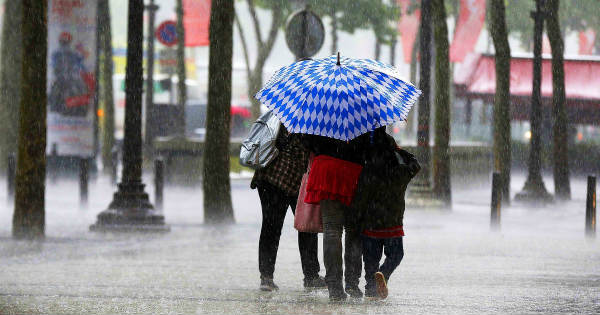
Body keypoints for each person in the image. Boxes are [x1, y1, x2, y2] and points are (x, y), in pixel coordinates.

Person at [251, 126, 326, 291]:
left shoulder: (288, 113)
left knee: (277, 227)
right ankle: (307, 276)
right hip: (279, 178)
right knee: (293, 227)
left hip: (276, 177)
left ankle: (269, 277)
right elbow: (312, 149)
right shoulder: (308, 123)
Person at [351, 128, 420, 299]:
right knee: (396, 254)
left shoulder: (368, 171)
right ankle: (384, 273)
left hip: (371, 222)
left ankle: (370, 288)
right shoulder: (401, 172)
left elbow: (360, 198)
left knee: (370, 259)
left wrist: (356, 219)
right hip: (393, 222)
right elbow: (415, 164)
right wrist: (398, 150)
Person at [301, 132, 371, 301]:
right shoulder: (365, 109)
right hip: (354, 171)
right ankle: (352, 283)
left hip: (326, 168)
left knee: (332, 230)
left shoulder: (319, 108)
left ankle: (334, 287)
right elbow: (372, 145)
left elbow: (308, 141)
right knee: (354, 231)